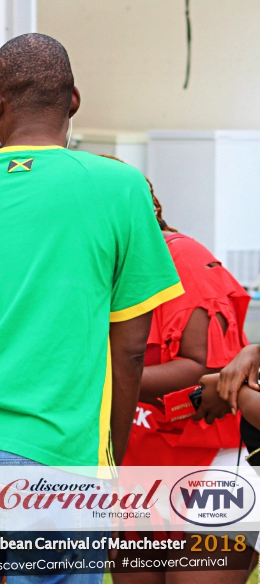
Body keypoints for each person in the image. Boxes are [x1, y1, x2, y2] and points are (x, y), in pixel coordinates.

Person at [0, 33, 182, 583]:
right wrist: (108, 465)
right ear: (73, 101)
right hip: (57, 459)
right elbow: (129, 352)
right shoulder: (120, 187)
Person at [110, 164, 253, 584]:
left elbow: (205, 365)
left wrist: (99, 377)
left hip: (206, 465)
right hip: (135, 469)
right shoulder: (101, 267)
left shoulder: (183, 258)